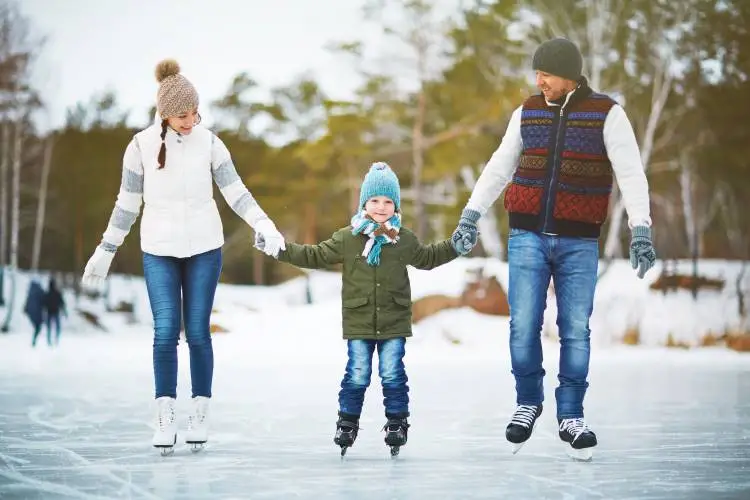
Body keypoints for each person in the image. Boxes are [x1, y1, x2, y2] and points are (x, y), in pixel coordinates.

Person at [451, 37, 656, 460]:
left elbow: (632, 174)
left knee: (575, 331)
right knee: (522, 325)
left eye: (545, 73)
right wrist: (471, 214)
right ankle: (528, 402)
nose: (539, 81)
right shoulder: (526, 112)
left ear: (568, 74)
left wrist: (641, 228)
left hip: (579, 241)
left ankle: (571, 414)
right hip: (526, 237)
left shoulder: (607, 114)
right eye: (536, 73)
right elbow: (499, 165)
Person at [81, 59, 286, 454]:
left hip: (205, 249)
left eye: (195, 112)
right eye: (181, 114)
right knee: (164, 332)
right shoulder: (139, 146)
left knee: (196, 332)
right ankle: (164, 413)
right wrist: (106, 249)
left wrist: (265, 224)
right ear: (164, 113)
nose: (190, 120)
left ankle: (200, 412)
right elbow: (127, 204)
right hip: (158, 250)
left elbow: (236, 191)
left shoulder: (209, 142)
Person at [257, 162, 458, 456]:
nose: (381, 207)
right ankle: (347, 422)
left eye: (388, 201)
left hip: (393, 318)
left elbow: (427, 257)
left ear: (396, 206)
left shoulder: (403, 239)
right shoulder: (347, 238)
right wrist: (279, 248)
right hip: (359, 318)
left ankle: (397, 422)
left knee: (392, 373)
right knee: (358, 373)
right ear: (364, 203)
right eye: (375, 200)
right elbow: (314, 256)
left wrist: (455, 246)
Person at [44, 277, 66, 345]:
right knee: (57, 327)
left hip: (50, 312)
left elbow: (44, 303)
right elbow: (62, 302)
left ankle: (50, 340)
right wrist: (64, 310)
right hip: (55, 312)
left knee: (49, 328)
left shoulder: (47, 293)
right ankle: (55, 339)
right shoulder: (57, 293)